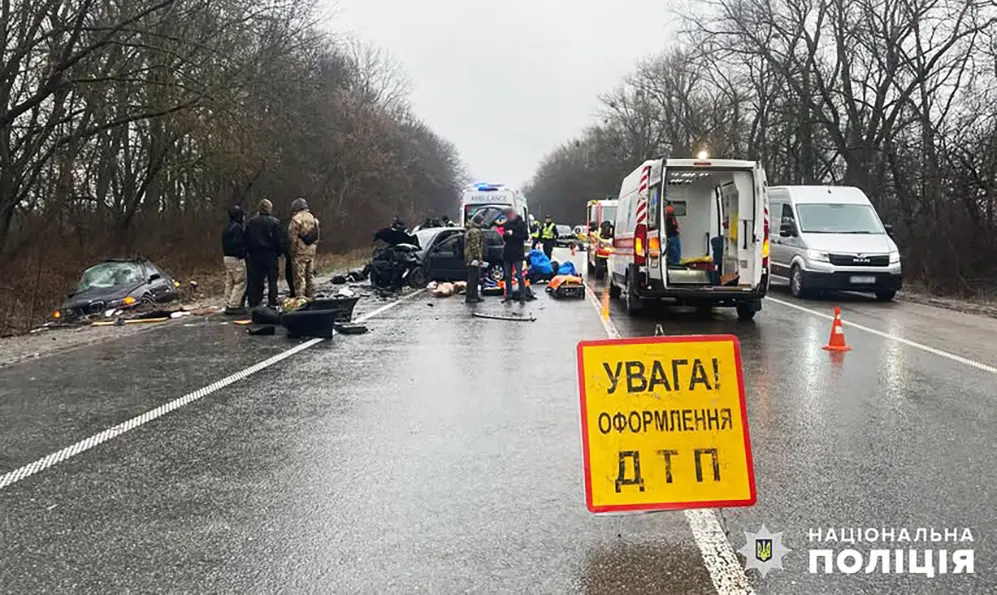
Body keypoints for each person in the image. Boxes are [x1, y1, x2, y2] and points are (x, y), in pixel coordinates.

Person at [245, 199, 283, 308]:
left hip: (255, 255)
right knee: (272, 280)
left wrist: (248, 252)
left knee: (256, 279)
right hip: (270, 254)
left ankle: (254, 301)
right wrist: (279, 252)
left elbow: (246, 238)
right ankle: (272, 300)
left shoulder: (251, 222)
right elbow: (278, 240)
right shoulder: (275, 222)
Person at [288, 197, 320, 299]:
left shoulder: (296, 219)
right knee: (310, 276)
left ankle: (301, 299)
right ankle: (311, 297)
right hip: (311, 252)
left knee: (299, 277)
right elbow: (317, 237)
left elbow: (292, 238)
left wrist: (292, 252)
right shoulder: (314, 219)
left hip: (299, 252)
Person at [221, 205, 248, 315]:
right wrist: (243, 254)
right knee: (240, 282)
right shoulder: (237, 228)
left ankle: (227, 303)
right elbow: (238, 244)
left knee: (230, 282)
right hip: (235, 258)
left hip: (226, 257)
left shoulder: (226, 228)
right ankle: (234, 305)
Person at [500, 208, 529, 304]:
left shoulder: (521, 224)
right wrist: (506, 235)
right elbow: (505, 238)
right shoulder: (506, 224)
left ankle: (522, 295)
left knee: (519, 276)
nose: (508, 217)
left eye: (510, 215)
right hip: (508, 253)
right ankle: (509, 295)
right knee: (507, 276)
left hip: (517, 253)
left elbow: (525, 236)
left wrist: (513, 234)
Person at [463, 214, 485, 304]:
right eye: (482, 220)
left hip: (470, 257)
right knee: (473, 278)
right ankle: (471, 296)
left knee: (475, 277)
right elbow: (475, 245)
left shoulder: (471, 230)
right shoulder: (475, 231)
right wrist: (477, 257)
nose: (483, 222)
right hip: (472, 258)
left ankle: (474, 295)